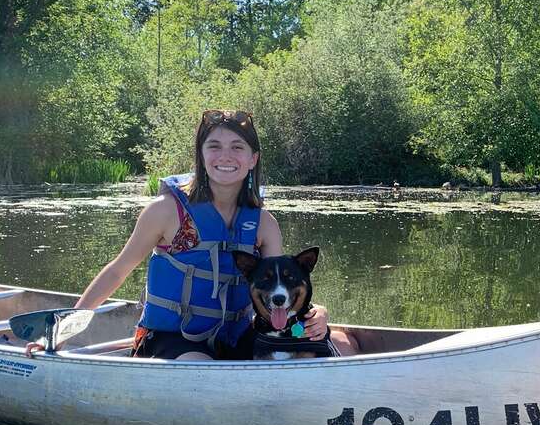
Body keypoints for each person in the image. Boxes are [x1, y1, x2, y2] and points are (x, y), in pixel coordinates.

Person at [30, 109, 336, 360]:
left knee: (341, 342)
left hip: (239, 336)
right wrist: (64, 329)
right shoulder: (166, 211)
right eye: (214, 146)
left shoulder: (263, 223)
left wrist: (316, 316)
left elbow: (280, 290)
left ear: (253, 159)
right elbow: (118, 270)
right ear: (201, 155)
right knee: (201, 368)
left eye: (237, 147)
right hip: (172, 340)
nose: (225, 156)